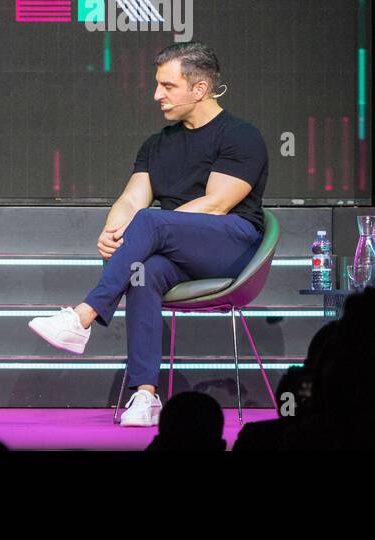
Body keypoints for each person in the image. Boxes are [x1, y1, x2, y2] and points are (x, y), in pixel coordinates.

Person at [28, 42, 268, 427]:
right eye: (158, 85)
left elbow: (217, 204)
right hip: (176, 250)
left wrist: (145, 227)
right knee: (145, 273)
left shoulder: (240, 136)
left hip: (231, 247)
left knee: (151, 222)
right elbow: (131, 199)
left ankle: (83, 316)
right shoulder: (158, 144)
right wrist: (115, 229)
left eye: (168, 86)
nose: (158, 95)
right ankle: (145, 396)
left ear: (200, 89)